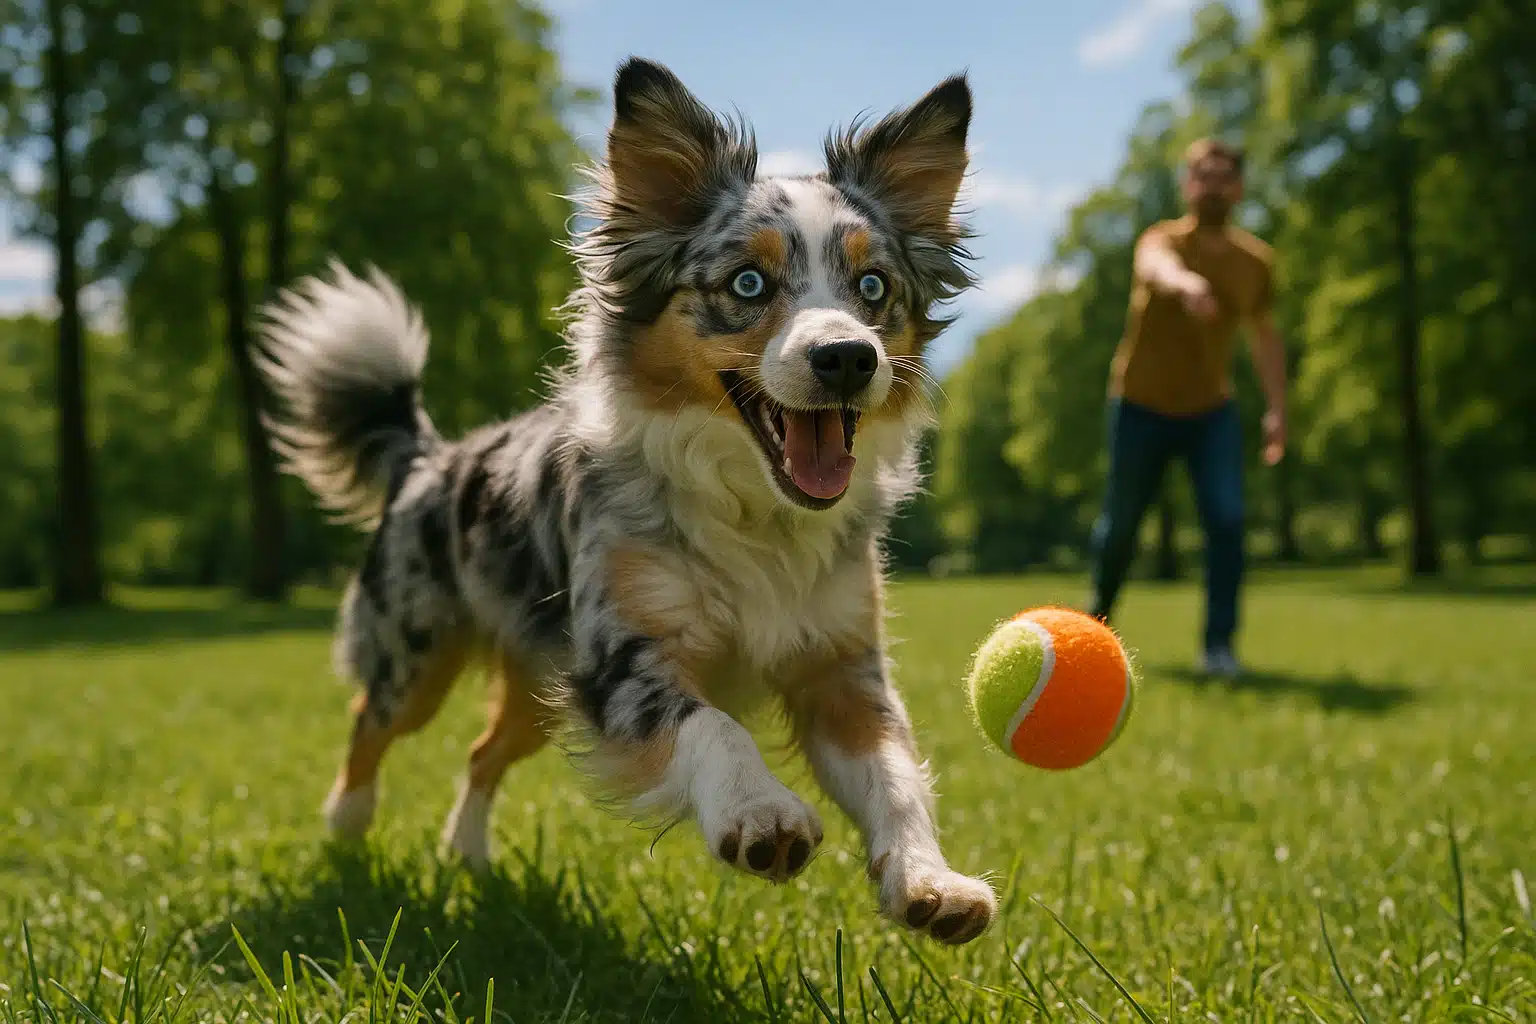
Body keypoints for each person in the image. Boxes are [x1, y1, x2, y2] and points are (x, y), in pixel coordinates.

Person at [1087, 138, 1287, 678]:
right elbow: (1156, 266)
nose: (1213, 185)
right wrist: (1186, 284)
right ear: (1188, 185)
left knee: (1226, 521)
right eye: (1203, 175)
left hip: (1210, 412)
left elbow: (1265, 337)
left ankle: (1218, 647)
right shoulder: (1162, 238)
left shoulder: (1255, 262)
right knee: (1121, 526)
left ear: (1239, 187)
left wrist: (1277, 410)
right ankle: (1095, 632)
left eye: (1224, 176)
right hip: (1139, 404)